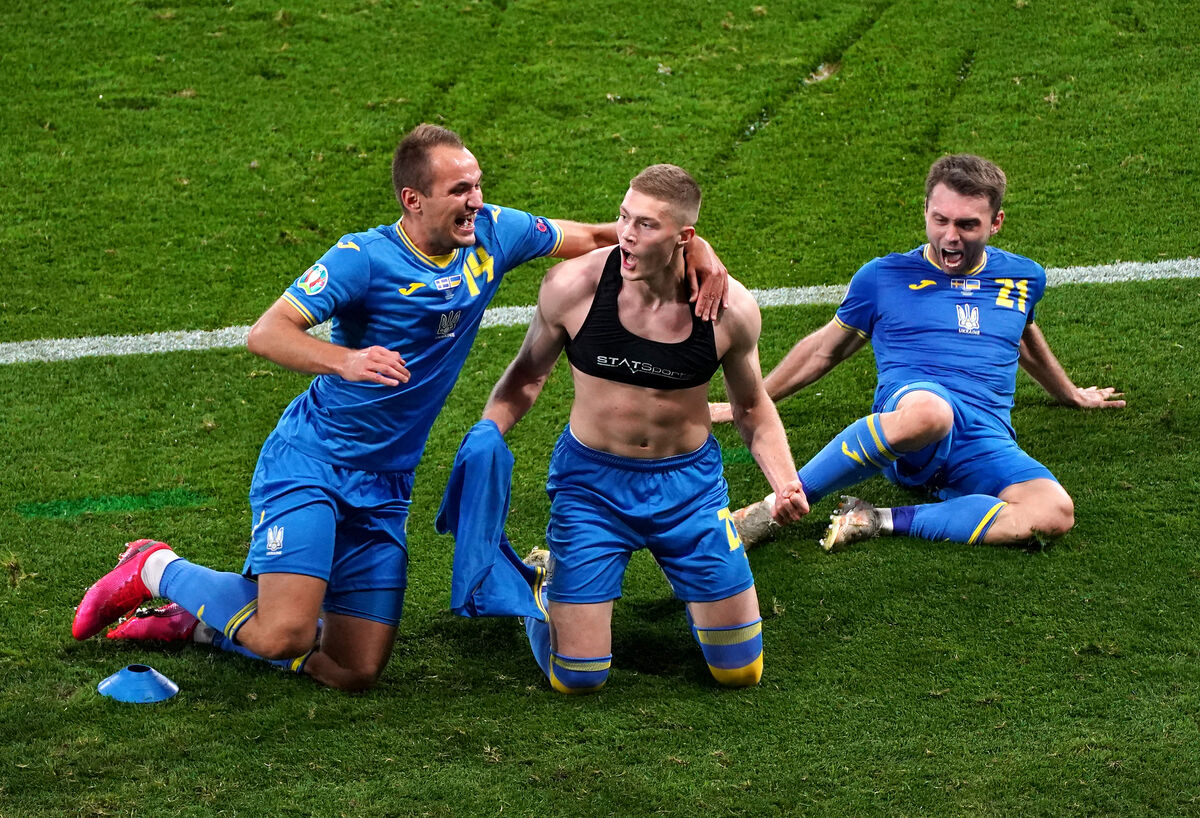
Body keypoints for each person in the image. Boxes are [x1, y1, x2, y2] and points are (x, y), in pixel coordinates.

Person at [71, 125, 731, 692]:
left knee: (354, 671)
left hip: (386, 485)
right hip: (315, 461)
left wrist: (691, 245)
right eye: (460, 192)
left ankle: (206, 623)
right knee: (286, 633)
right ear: (413, 201)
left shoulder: (495, 233)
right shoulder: (363, 259)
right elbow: (265, 333)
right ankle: (154, 565)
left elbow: (596, 236)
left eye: (477, 185)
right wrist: (347, 361)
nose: (477, 201)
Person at [482, 164, 807, 693]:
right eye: (623, 217)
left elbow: (751, 408)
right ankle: (541, 586)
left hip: (689, 491)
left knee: (740, 673)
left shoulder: (730, 311)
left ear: (684, 238)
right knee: (578, 678)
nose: (627, 235)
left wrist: (784, 481)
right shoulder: (572, 287)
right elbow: (526, 376)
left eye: (646, 225)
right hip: (592, 488)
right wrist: (485, 434)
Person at [716, 154, 1124, 552]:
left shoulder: (1024, 277)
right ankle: (775, 507)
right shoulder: (883, 276)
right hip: (913, 418)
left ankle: (876, 519)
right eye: (940, 220)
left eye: (968, 224)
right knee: (933, 414)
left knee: (1054, 512)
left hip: (984, 437)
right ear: (925, 210)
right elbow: (824, 350)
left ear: (996, 223)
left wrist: (1068, 392)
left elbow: (1022, 337)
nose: (951, 236)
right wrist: (749, 400)